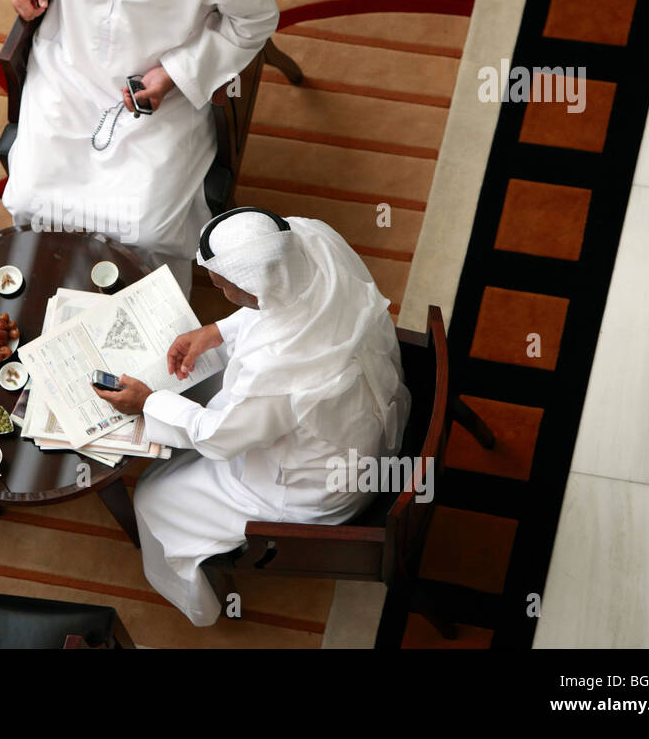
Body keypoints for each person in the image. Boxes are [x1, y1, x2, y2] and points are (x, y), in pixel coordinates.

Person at [94, 208, 412, 626]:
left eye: (222, 284)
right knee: (208, 388)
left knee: (154, 495)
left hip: (317, 488)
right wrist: (218, 332)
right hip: (366, 415)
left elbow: (218, 436)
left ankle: (202, 606)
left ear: (253, 289)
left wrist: (148, 402)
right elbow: (290, 303)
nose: (218, 287)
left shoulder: (278, 372)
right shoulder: (312, 239)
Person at [0, 0, 280, 293]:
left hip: (158, 94)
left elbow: (254, 20)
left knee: (147, 224)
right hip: (67, 69)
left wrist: (174, 73)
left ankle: (145, 313)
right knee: (31, 198)